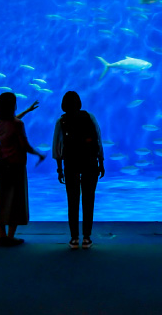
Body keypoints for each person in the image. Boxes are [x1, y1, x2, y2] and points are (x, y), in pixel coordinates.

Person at [52, 91, 105, 249]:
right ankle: (87, 238)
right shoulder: (90, 117)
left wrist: (59, 169)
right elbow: (98, 139)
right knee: (89, 200)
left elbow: (57, 147)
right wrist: (101, 162)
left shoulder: (61, 121)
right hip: (90, 162)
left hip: (71, 164)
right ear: (79, 103)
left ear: (63, 105)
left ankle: (74, 238)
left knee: (72, 201)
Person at [0, 92, 45, 247]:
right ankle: (10, 236)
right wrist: (39, 154)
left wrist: (27, 111)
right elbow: (25, 145)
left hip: (1, 165)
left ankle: (2, 236)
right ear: (12, 105)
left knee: (1, 200)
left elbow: (10, 124)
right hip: (15, 166)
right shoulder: (17, 124)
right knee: (15, 201)